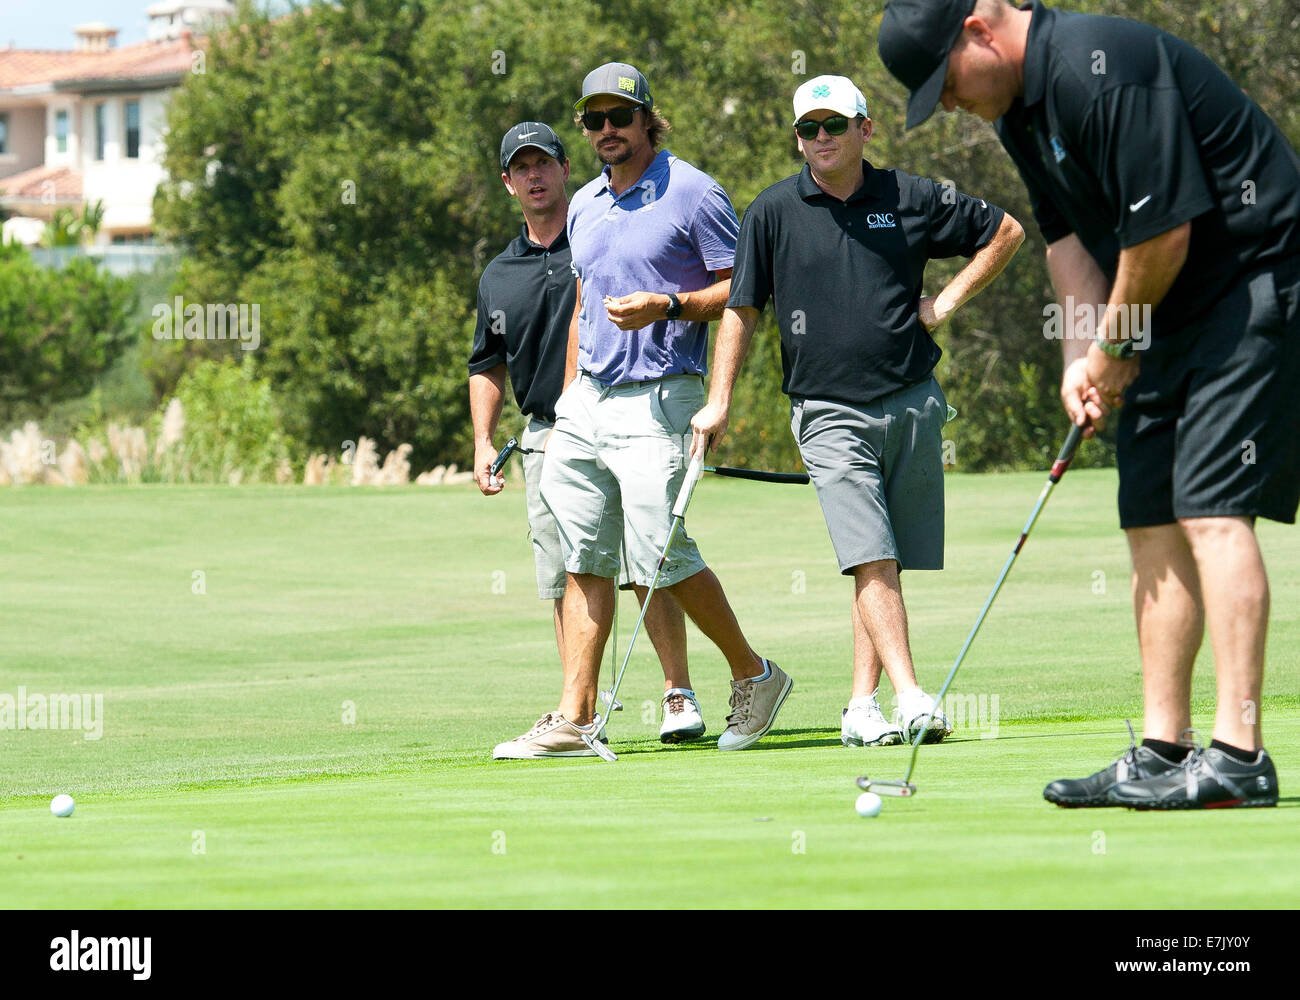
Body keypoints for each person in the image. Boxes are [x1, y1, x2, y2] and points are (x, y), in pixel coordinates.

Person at [880, 0, 1300, 807]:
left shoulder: (1097, 69)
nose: (954, 104)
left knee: (1212, 508)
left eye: (949, 85)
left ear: (979, 30)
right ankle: (1163, 749)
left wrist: (1111, 347)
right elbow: (1069, 241)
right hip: (1162, 310)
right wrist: (1082, 357)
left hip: (1253, 285)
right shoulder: (1020, 115)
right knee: (1148, 511)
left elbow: (1161, 237)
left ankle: (1240, 757)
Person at [690, 74, 1024, 749]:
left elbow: (1006, 230)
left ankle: (860, 705)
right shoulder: (774, 211)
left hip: (911, 402)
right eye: (808, 128)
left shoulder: (912, 196)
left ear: (864, 129)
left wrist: (947, 303)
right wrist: (718, 402)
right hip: (827, 410)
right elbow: (742, 309)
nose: (819, 139)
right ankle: (911, 697)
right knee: (871, 555)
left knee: (882, 560)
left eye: (833, 126)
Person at [498, 62, 793, 759]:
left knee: (662, 555)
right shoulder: (585, 204)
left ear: (646, 119)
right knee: (584, 555)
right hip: (589, 401)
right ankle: (576, 714)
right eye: (593, 120)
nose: (606, 131)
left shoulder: (693, 192)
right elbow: (581, 302)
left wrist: (670, 305)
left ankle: (755, 674)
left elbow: (743, 291)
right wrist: (572, 390)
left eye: (618, 118)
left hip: (664, 395)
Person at [469, 122, 695, 758]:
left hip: (622, 415)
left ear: (568, 169)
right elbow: (486, 362)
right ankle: (581, 709)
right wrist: (484, 442)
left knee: (645, 564)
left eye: (546, 163)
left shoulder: (598, 235)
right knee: (569, 573)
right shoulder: (499, 273)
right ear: (508, 182)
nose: (535, 176)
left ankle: (677, 692)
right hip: (545, 435)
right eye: (523, 168)